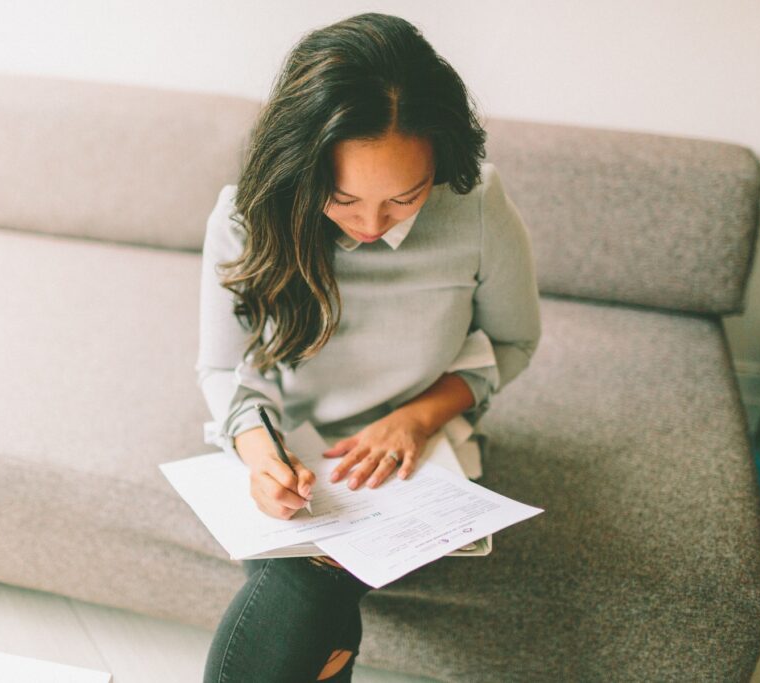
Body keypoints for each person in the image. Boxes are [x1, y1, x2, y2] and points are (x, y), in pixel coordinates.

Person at [196, 12, 541, 683]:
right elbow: (220, 367)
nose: (372, 226)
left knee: (307, 584)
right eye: (343, 198)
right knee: (312, 587)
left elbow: (513, 339)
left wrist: (417, 417)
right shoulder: (246, 217)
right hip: (291, 438)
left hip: (420, 453)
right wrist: (265, 460)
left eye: (403, 199)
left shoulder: (475, 206)